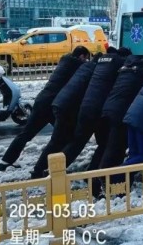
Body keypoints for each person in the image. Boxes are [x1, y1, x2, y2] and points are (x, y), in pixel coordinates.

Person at [0, 46, 91, 171]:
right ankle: (49, 166)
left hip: (42, 100)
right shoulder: (77, 65)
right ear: (82, 56)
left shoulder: (65, 61)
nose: (86, 61)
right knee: (64, 136)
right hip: (54, 105)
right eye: (86, 59)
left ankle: (5, 161)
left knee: (26, 134)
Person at [87, 53, 143, 197]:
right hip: (120, 115)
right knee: (115, 151)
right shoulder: (140, 73)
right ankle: (104, 182)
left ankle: (95, 176)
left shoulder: (124, 71)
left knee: (105, 147)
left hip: (107, 111)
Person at [29, 50, 104, 179]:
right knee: (66, 141)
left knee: (59, 141)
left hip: (60, 103)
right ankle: (46, 171)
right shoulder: (97, 72)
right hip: (69, 108)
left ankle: (40, 170)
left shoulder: (85, 67)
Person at [60, 47, 132, 168]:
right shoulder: (119, 65)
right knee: (105, 144)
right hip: (99, 111)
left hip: (86, 106)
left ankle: (55, 169)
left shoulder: (102, 63)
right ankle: (93, 173)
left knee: (77, 142)